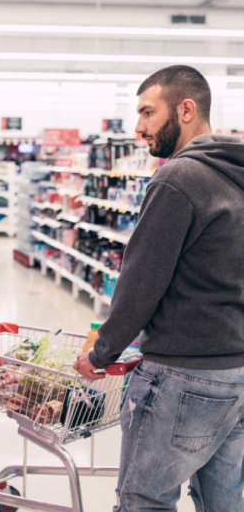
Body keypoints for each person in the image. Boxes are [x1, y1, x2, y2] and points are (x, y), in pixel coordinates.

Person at [73, 65, 244, 511]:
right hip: (237, 374)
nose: (139, 127)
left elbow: (140, 281)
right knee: (223, 501)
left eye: (148, 112)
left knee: (144, 500)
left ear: (186, 109)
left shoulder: (178, 179)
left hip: (182, 374)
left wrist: (101, 352)